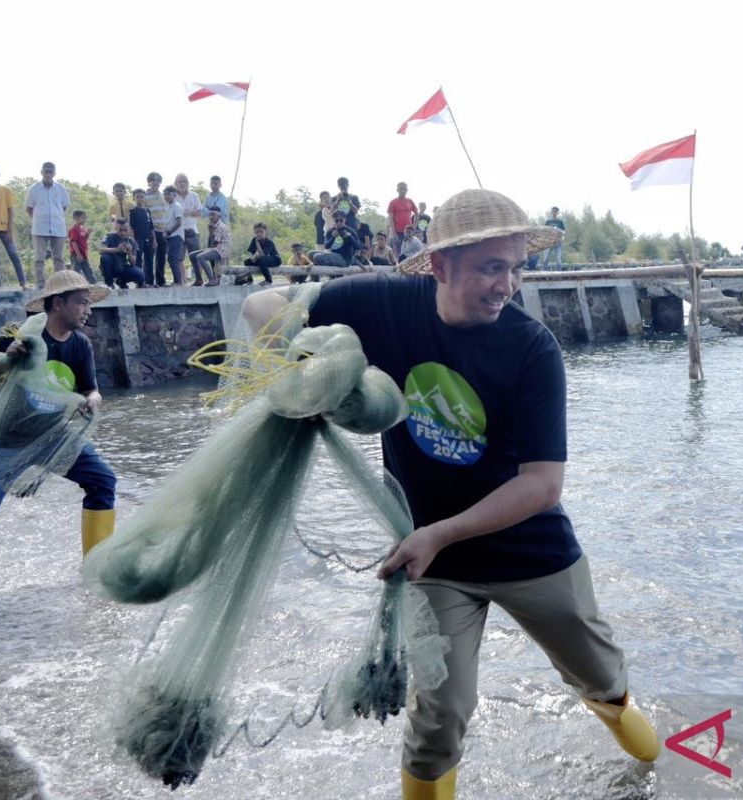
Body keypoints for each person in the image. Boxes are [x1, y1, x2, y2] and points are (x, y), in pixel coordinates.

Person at [240, 188, 658, 799]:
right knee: (438, 719)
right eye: (492, 267)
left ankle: (649, 764)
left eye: (517, 267)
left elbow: (542, 484)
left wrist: (441, 532)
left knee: (602, 681)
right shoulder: (381, 301)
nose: (508, 284)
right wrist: (300, 376)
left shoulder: (532, 349)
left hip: (530, 552)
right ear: (439, 266)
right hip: (432, 561)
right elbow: (260, 305)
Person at [0, 270, 117, 596]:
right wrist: (5, 359)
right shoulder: (17, 336)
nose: (88, 310)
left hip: (53, 437)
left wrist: (91, 403)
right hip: (6, 441)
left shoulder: (80, 345)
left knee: (102, 481)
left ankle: (95, 572)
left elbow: (91, 390)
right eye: (82, 303)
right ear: (58, 303)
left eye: (89, 304)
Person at [25, 162, 71, 288]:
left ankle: (59, 284)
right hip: (40, 227)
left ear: (54, 173)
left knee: (59, 258)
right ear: (41, 172)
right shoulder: (34, 189)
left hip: (58, 227)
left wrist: (55, 216)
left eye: (51, 171)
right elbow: (29, 208)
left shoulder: (61, 188)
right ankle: (40, 283)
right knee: (39, 258)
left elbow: (64, 206)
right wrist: (38, 219)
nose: (48, 174)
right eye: (46, 171)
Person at [189, 206, 229, 286]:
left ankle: (212, 280)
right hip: (215, 248)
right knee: (192, 255)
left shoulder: (221, 226)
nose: (211, 217)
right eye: (210, 214)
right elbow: (212, 243)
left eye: (213, 214)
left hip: (221, 251)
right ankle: (199, 280)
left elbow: (214, 244)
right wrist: (211, 231)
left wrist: (210, 231)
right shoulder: (213, 225)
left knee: (200, 257)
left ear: (219, 216)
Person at [99, 219, 143, 288]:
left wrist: (129, 252)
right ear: (116, 228)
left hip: (123, 267)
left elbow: (133, 263)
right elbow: (100, 250)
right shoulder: (108, 237)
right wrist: (117, 249)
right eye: (120, 230)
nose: (123, 233)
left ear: (129, 229)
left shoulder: (132, 242)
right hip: (111, 266)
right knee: (105, 257)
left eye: (125, 230)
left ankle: (121, 281)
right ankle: (109, 283)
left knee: (140, 275)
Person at [143, 172, 169, 285]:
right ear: (148, 182)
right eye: (153, 180)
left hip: (162, 231)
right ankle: (148, 281)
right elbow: (144, 214)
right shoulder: (144, 196)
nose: (155, 182)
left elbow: (166, 212)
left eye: (158, 180)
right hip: (150, 231)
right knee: (148, 257)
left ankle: (160, 281)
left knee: (161, 257)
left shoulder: (163, 196)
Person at [128, 189, 157, 286]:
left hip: (149, 238)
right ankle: (140, 282)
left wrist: (154, 240)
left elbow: (151, 226)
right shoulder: (133, 211)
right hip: (138, 239)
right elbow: (131, 227)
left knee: (149, 261)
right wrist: (133, 241)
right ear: (134, 198)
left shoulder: (147, 210)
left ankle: (150, 282)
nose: (140, 199)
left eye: (142, 196)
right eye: (138, 197)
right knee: (138, 261)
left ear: (145, 198)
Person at [174, 174, 203, 256]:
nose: (182, 183)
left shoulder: (194, 196)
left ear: (188, 183)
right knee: (178, 258)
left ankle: (197, 269)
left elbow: (199, 213)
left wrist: (189, 212)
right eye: (180, 181)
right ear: (176, 183)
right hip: (177, 231)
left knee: (196, 257)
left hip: (193, 230)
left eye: (184, 181)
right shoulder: (173, 196)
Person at [162, 185, 186, 285]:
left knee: (173, 258)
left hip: (176, 236)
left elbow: (179, 222)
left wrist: (169, 232)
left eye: (169, 194)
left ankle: (178, 282)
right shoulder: (168, 206)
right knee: (171, 258)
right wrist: (165, 232)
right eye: (165, 194)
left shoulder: (177, 206)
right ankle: (177, 281)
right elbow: (167, 222)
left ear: (174, 195)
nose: (166, 196)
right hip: (170, 236)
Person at [387, 181, 417, 255]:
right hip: (398, 231)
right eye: (401, 189)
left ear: (407, 190)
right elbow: (390, 218)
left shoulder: (410, 201)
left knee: (409, 251)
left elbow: (416, 213)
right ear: (397, 190)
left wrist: (414, 226)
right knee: (398, 252)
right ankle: (399, 266)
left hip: (408, 232)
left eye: (404, 189)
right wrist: (394, 233)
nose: (402, 190)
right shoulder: (393, 202)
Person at [68, 210, 96, 283]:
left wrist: (88, 233)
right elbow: (73, 242)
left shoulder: (83, 228)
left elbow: (84, 238)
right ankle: (74, 285)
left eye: (85, 218)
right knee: (76, 270)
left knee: (88, 270)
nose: (85, 219)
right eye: (83, 218)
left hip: (84, 253)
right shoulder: (74, 229)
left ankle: (94, 284)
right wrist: (78, 254)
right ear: (76, 218)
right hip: (76, 253)